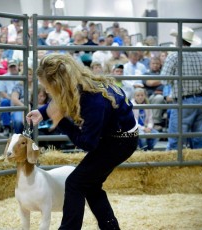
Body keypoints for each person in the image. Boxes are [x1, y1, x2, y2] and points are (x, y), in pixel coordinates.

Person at [26, 53, 138, 229]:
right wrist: (43, 112)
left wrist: (60, 121)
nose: (46, 91)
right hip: (116, 136)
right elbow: (63, 100)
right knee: (90, 185)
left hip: (120, 142)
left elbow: (87, 143)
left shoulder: (93, 101)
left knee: (75, 183)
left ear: (58, 84)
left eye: (47, 86)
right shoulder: (82, 83)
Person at [161, 27, 202, 150]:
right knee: (199, 138)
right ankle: (199, 165)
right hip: (200, 100)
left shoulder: (174, 57)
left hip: (183, 101)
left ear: (179, 40)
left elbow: (164, 80)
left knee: (176, 139)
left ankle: (173, 166)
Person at [0, 60, 19, 136]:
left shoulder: (22, 76)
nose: (13, 68)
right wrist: (11, 99)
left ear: (17, 67)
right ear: (8, 68)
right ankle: (6, 127)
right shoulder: (4, 77)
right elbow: (1, 92)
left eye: (14, 66)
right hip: (9, 98)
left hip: (20, 98)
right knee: (4, 102)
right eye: (11, 67)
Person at [143, 56, 166, 131]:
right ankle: (156, 123)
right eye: (153, 63)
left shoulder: (163, 73)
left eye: (157, 64)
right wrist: (164, 79)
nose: (155, 65)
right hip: (150, 97)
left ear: (160, 65)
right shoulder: (146, 74)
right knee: (158, 98)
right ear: (150, 64)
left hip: (165, 96)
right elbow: (150, 83)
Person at [10, 67, 33, 134]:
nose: (29, 76)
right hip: (19, 108)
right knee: (18, 121)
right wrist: (25, 107)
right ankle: (18, 138)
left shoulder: (37, 86)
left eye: (31, 74)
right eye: (27, 74)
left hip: (33, 108)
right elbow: (14, 99)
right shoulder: (18, 86)